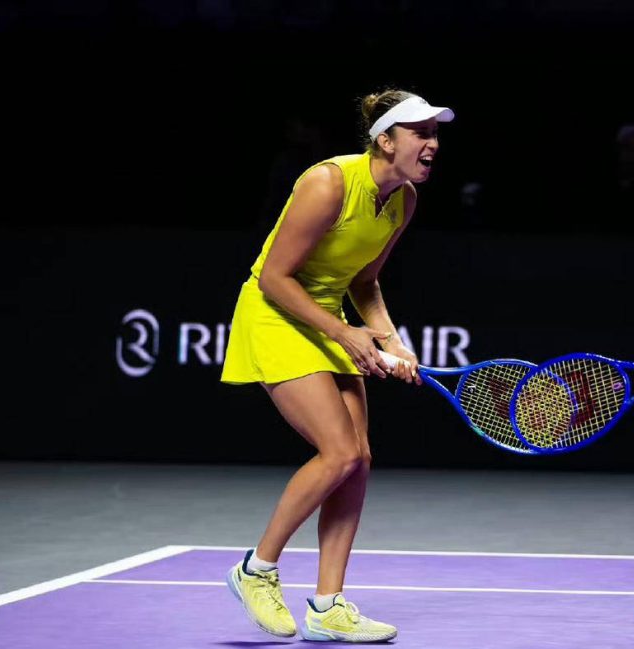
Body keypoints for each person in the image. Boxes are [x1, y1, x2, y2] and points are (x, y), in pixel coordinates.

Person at [220, 89, 451, 642]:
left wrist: (393, 343)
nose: (433, 144)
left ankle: (327, 606)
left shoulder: (403, 200)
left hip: (326, 317)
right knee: (340, 451)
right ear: (385, 140)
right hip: (275, 313)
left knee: (359, 460)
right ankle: (256, 570)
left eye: (436, 133)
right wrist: (345, 333)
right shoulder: (328, 182)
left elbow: (365, 282)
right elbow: (274, 277)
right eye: (420, 133)